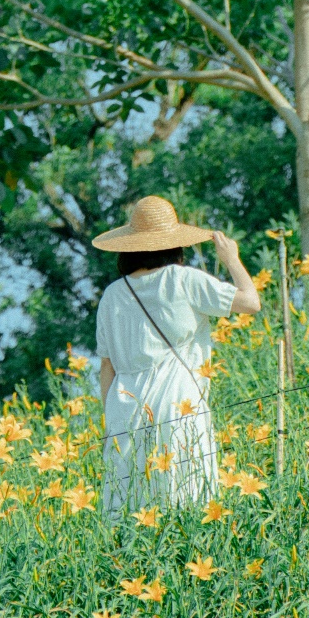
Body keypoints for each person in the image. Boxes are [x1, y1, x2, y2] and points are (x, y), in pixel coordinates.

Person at [91, 193, 261, 518]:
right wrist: (231, 259)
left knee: (128, 508)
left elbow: (107, 368)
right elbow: (250, 303)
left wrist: (110, 423)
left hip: (123, 409)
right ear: (174, 244)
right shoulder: (183, 279)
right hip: (176, 400)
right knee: (186, 501)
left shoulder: (112, 295)